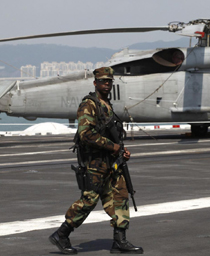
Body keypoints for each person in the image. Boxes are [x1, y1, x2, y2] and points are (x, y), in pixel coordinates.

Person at [49, 67, 143, 254]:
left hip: (111, 163)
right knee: (88, 201)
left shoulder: (106, 105)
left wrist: (121, 151)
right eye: (103, 81)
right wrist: (113, 146)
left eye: (109, 81)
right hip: (95, 164)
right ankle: (61, 234)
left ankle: (119, 241)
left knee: (121, 197)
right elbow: (86, 135)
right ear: (95, 83)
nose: (106, 84)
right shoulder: (89, 104)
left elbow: (111, 136)